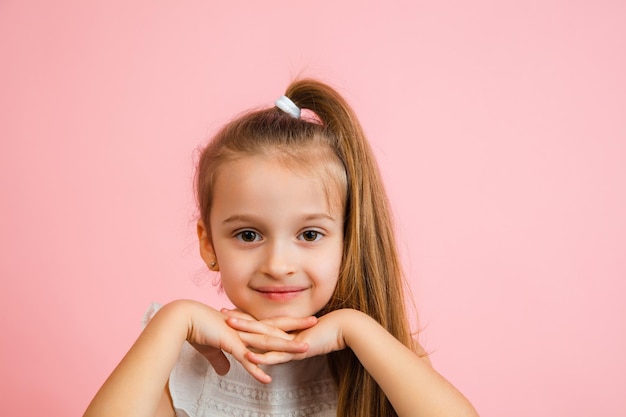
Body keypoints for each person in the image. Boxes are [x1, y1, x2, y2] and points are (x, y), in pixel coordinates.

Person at [83, 79, 479, 417]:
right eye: (249, 235)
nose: (278, 264)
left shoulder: (378, 353)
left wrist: (354, 329)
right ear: (209, 244)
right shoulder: (180, 362)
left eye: (309, 235)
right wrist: (173, 321)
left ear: (348, 240)